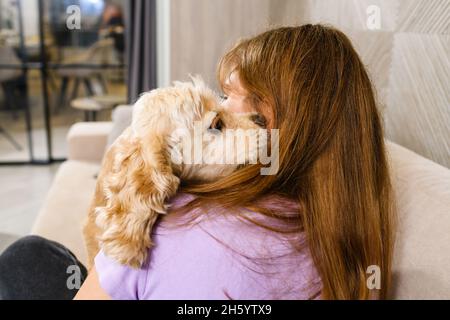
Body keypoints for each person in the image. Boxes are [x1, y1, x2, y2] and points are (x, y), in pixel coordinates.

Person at [0, 24, 394, 300]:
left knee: (30, 256)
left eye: (239, 111)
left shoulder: (175, 219)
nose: (224, 111)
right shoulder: (356, 244)